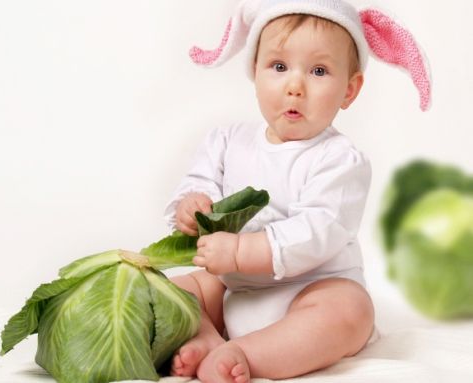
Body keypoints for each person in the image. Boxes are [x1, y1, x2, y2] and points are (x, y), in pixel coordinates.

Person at [163, 1, 431, 382]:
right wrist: (191, 206)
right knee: (179, 289)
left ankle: (246, 354)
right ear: (254, 71)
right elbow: (199, 182)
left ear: (349, 90)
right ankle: (206, 336)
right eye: (278, 66)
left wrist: (242, 250)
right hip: (231, 290)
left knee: (351, 311)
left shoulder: (341, 160)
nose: (295, 86)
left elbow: (320, 229)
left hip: (310, 291)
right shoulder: (226, 141)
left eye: (319, 71)